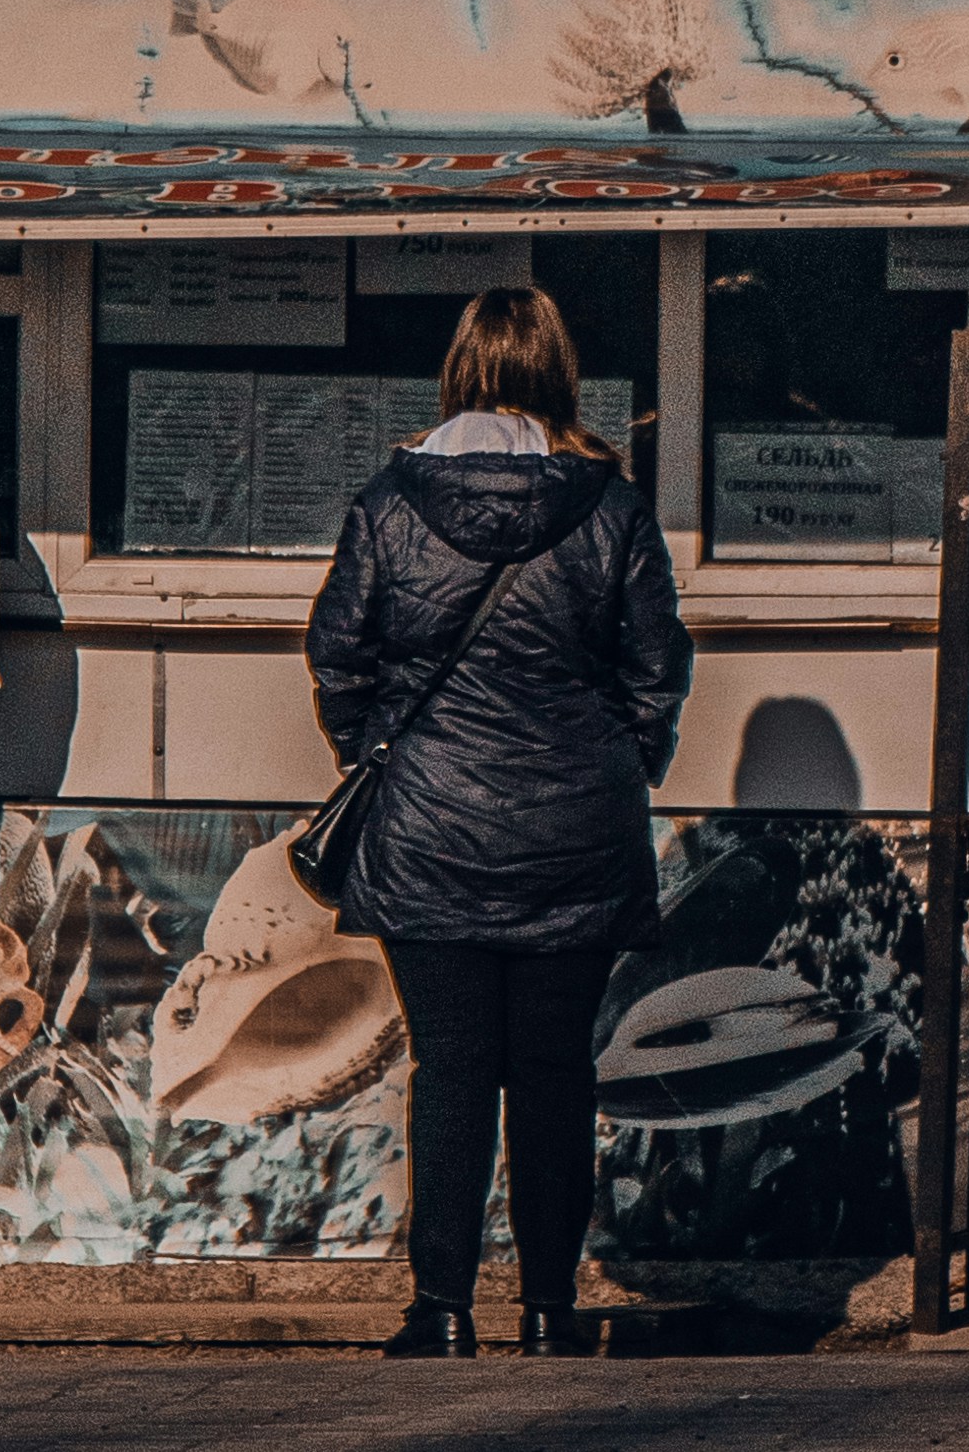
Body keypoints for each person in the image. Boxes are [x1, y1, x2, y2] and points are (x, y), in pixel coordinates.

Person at [306, 286, 692, 1360]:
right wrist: (619, 765)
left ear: (458, 371)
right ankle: (547, 1308)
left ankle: (439, 1308)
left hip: (427, 831)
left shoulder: (390, 502)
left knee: (453, 1069)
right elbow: (657, 668)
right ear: (557, 373)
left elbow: (339, 657)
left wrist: (382, 759)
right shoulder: (609, 506)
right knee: (557, 1070)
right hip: (576, 829)